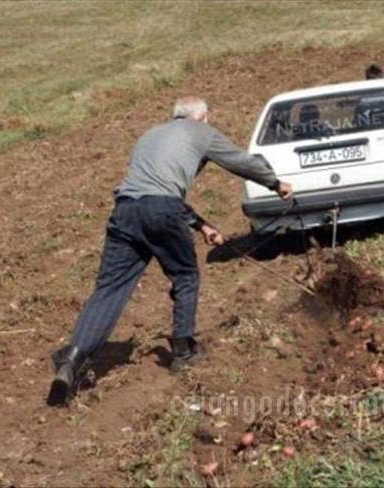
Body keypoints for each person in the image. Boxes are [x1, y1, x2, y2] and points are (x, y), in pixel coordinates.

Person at [48, 96, 293, 405]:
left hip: (125, 210)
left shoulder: (150, 135)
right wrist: (275, 183)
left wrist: (202, 226)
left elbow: (154, 190)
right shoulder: (201, 132)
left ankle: (71, 359)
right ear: (201, 117)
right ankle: (183, 350)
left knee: (108, 289)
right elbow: (240, 162)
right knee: (185, 274)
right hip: (161, 209)